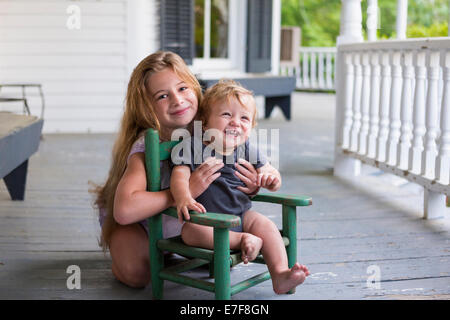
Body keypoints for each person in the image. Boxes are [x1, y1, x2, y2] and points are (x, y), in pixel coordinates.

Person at [91, 51, 266, 288]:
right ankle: (134, 252)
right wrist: (183, 191)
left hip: (187, 224)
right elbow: (124, 210)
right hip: (140, 223)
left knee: (222, 258)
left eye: (183, 88)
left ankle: (173, 249)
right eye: (162, 95)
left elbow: (231, 177)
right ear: (146, 107)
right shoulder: (146, 147)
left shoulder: (211, 129)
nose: (177, 100)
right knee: (137, 275)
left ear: (194, 87)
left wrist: (251, 186)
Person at [170, 80, 310, 294]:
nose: (236, 122)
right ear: (205, 123)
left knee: (265, 225)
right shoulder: (193, 146)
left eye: (244, 118)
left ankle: (281, 274)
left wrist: (269, 178)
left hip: (241, 216)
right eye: (226, 115)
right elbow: (179, 175)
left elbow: (272, 173)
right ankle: (242, 240)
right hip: (206, 221)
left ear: (250, 128)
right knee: (189, 231)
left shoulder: (246, 148)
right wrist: (183, 197)